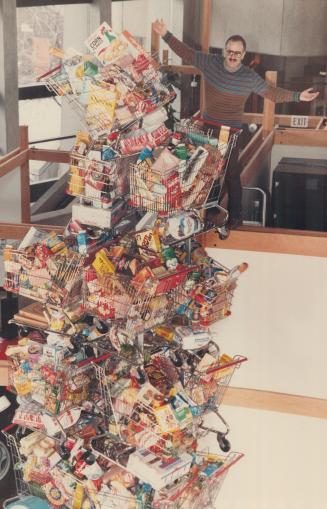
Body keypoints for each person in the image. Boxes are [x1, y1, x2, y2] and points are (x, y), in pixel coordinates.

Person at [153, 19, 319, 228]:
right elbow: (187, 53)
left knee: (231, 173)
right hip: (207, 127)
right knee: (206, 170)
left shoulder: (248, 77)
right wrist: (166, 35)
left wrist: (298, 96)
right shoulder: (210, 62)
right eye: (230, 51)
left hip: (231, 131)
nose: (233, 56)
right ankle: (210, 210)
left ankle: (236, 216)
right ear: (224, 51)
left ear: (243, 55)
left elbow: (272, 93)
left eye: (237, 53)